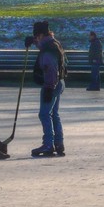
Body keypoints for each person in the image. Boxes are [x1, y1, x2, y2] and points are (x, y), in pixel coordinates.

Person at [28, 21, 66, 157]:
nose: (36, 39)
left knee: (44, 114)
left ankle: (48, 144)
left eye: (36, 36)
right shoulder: (52, 43)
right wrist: (33, 42)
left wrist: (49, 88)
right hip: (60, 82)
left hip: (52, 84)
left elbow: (50, 69)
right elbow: (43, 47)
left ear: (41, 35)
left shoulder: (49, 50)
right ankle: (59, 143)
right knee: (54, 114)